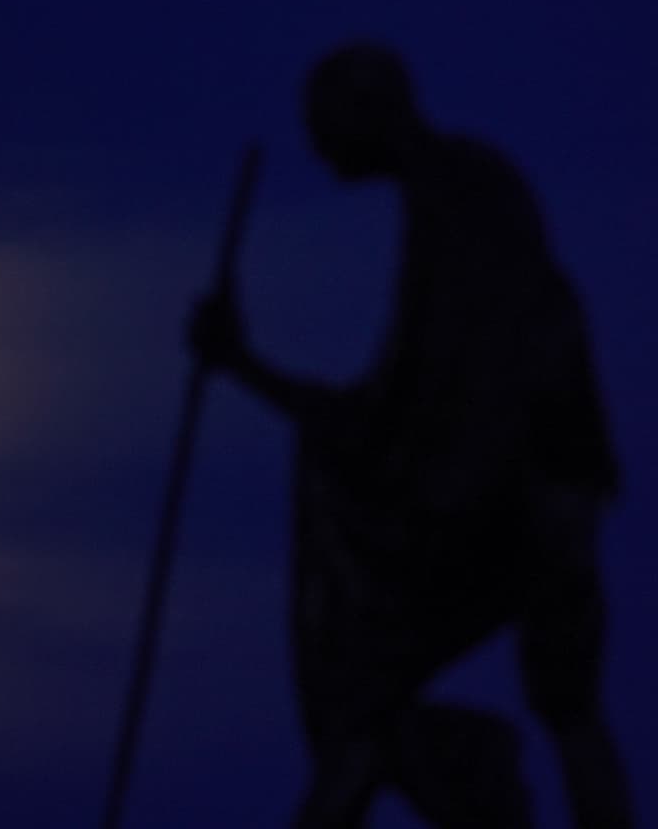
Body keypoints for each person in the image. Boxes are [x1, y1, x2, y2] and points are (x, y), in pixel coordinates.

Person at [189, 43, 633, 828]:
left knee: (412, 697)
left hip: (528, 490)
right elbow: (407, 402)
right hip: (531, 486)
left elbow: (424, 402)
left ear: (367, 109)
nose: (320, 148)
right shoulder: (460, 193)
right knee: (543, 704)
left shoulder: (463, 196)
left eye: (324, 125)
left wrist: (244, 366)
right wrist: (244, 364)